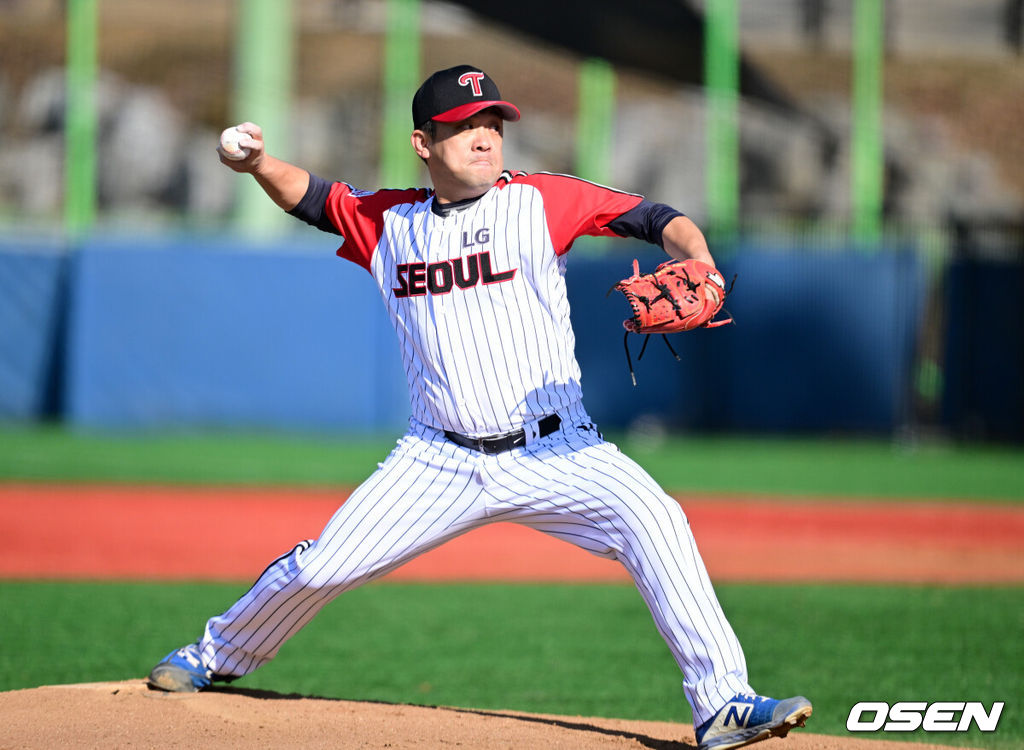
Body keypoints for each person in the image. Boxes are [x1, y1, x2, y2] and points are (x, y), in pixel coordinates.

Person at [148, 65, 811, 750]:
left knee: (657, 521)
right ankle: (214, 653)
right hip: (436, 459)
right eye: (466, 126)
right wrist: (257, 162)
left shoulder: (541, 200)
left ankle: (722, 703)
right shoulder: (390, 224)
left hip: (561, 449)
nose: (485, 136)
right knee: (323, 567)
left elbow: (653, 217)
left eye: (493, 123)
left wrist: (697, 259)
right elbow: (313, 199)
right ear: (423, 143)